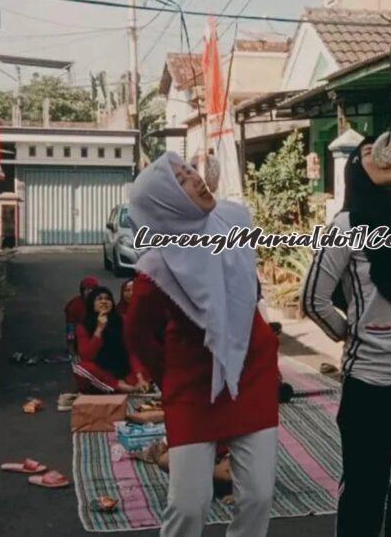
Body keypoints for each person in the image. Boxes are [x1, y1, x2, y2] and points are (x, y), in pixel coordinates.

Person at [125, 152, 279, 537]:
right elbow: (139, 335)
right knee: (189, 504)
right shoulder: (157, 268)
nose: (194, 179)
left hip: (252, 374)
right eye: (180, 180)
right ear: (164, 203)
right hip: (193, 386)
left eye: (189, 171)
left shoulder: (233, 222)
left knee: (258, 496)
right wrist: (170, 378)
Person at [301, 137, 391, 537]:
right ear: (355, 171)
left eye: (387, 150)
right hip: (371, 382)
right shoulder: (345, 226)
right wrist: (349, 334)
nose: (383, 155)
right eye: (368, 152)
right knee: (366, 486)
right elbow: (313, 298)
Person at [72, 285, 150, 394]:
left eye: (107, 299)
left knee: (148, 360)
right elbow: (86, 356)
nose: (104, 302)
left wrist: (140, 377)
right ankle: (120, 387)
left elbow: (131, 351)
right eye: (99, 299)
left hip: (124, 368)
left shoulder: (122, 320)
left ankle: (128, 384)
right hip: (100, 371)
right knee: (81, 369)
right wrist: (99, 329)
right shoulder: (83, 326)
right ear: (92, 304)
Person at [65, 276, 99, 347]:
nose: (89, 292)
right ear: (82, 291)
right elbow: (71, 324)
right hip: (80, 336)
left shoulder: (101, 302)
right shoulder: (75, 304)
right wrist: (71, 339)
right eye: (86, 289)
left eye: (92, 289)